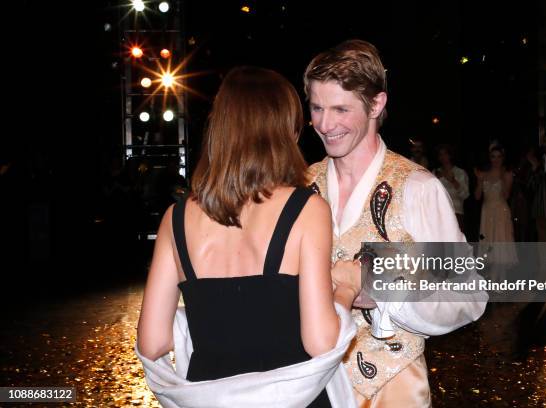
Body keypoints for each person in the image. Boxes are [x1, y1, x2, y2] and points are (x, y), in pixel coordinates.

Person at [136, 66, 361, 407]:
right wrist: (347, 288)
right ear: (285, 131)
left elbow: (152, 343)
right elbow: (320, 341)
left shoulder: (176, 218)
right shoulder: (306, 209)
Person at [304, 39, 487, 407]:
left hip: (392, 390)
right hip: (312, 386)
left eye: (340, 109)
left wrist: (385, 292)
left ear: (376, 104)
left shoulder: (418, 188)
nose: (325, 124)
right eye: (317, 108)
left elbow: (468, 294)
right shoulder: (301, 185)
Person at [434, 144, 469, 231]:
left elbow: (465, 195)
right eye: (440, 154)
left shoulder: (460, 172)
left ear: (450, 155)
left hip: (456, 213)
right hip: (439, 214)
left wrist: (453, 181)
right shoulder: (435, 173)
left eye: (445, 154)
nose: (443, 157)